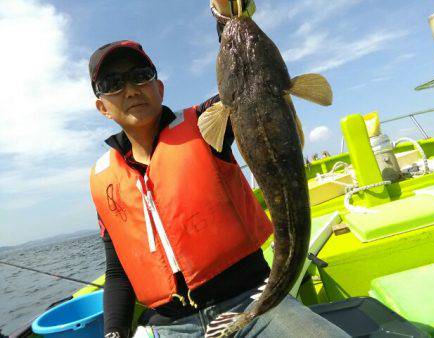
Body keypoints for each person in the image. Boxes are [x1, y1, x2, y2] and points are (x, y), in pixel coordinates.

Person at [89, 1, 350, 337]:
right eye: (113, 83)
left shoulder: (207, 122)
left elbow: (240, 81)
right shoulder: (103, 180)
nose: (131, 89)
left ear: (160, 88)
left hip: (251, 301)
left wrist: (224, 15)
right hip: (170, 326)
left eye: (141, 76)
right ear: (102, 107)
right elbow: (117, 272)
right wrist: (114, 331)